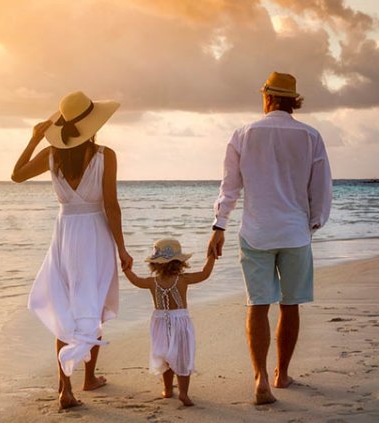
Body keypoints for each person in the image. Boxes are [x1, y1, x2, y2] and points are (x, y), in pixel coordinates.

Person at [207, 71, 333, 405]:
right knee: (290, 305)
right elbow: (320, 188)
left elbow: (230, 187)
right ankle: (281, 373)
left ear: (267, 98)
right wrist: (314, 223)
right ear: (293, 101)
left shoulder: (243, 134)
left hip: (256, 231)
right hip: (294, 232)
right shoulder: (310, 136)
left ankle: (260, 377)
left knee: (257, 305)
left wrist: (218, 226)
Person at [11, 91, 133, 409]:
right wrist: (122, 248)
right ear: (93, 125)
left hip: (65, 235)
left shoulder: (52, 155)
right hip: (95, 233)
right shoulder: (106, 155)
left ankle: (65, 388)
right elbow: (111, 206)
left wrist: (34, 138)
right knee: (93, 301)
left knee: (67, 307)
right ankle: (88, 377)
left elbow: (17, 175)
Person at [123, 238, 216, 407]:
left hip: (159, 322)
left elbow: (135, 280)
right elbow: (204, 274)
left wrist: (126, 269)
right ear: (179, 263)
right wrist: (211, 256)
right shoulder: (183, 279)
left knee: (165, 356)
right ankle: (184, 393)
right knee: (182, 356)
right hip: (180, 321)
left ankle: (167, 390)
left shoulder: (152, 282)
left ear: (155, 264)